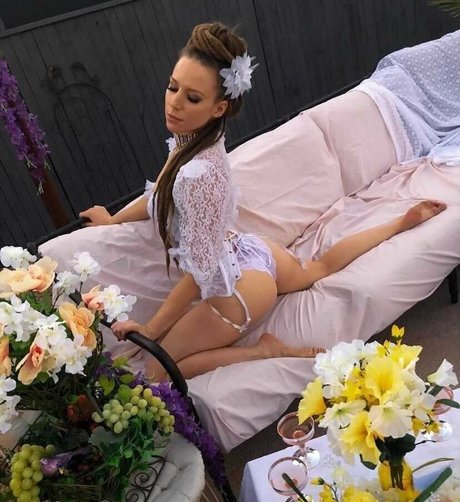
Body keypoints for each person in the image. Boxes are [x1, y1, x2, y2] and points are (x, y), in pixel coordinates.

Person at [80, 22, 446, 382]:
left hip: (235, 292)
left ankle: (263, 351)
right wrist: (113, 220)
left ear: (219, 108)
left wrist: (151, 328)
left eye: (192, 98)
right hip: (250, 251)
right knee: (318, 268)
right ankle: (403, 221)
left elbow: (201, 272)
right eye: (172, 87)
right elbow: (159, 195)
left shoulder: (197, 174)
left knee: (156, 371)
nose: (174, 103)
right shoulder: (193, 141)